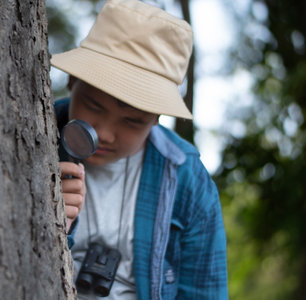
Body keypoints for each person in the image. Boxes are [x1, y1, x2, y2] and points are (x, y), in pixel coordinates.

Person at [51, 0, 228, 299]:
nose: (104, 134)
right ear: (71, 81)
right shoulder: (34, 137)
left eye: (132, 121)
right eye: (94, 106)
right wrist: (54, 223)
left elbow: (203, 291)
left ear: (157, 118)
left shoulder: (188, 181)